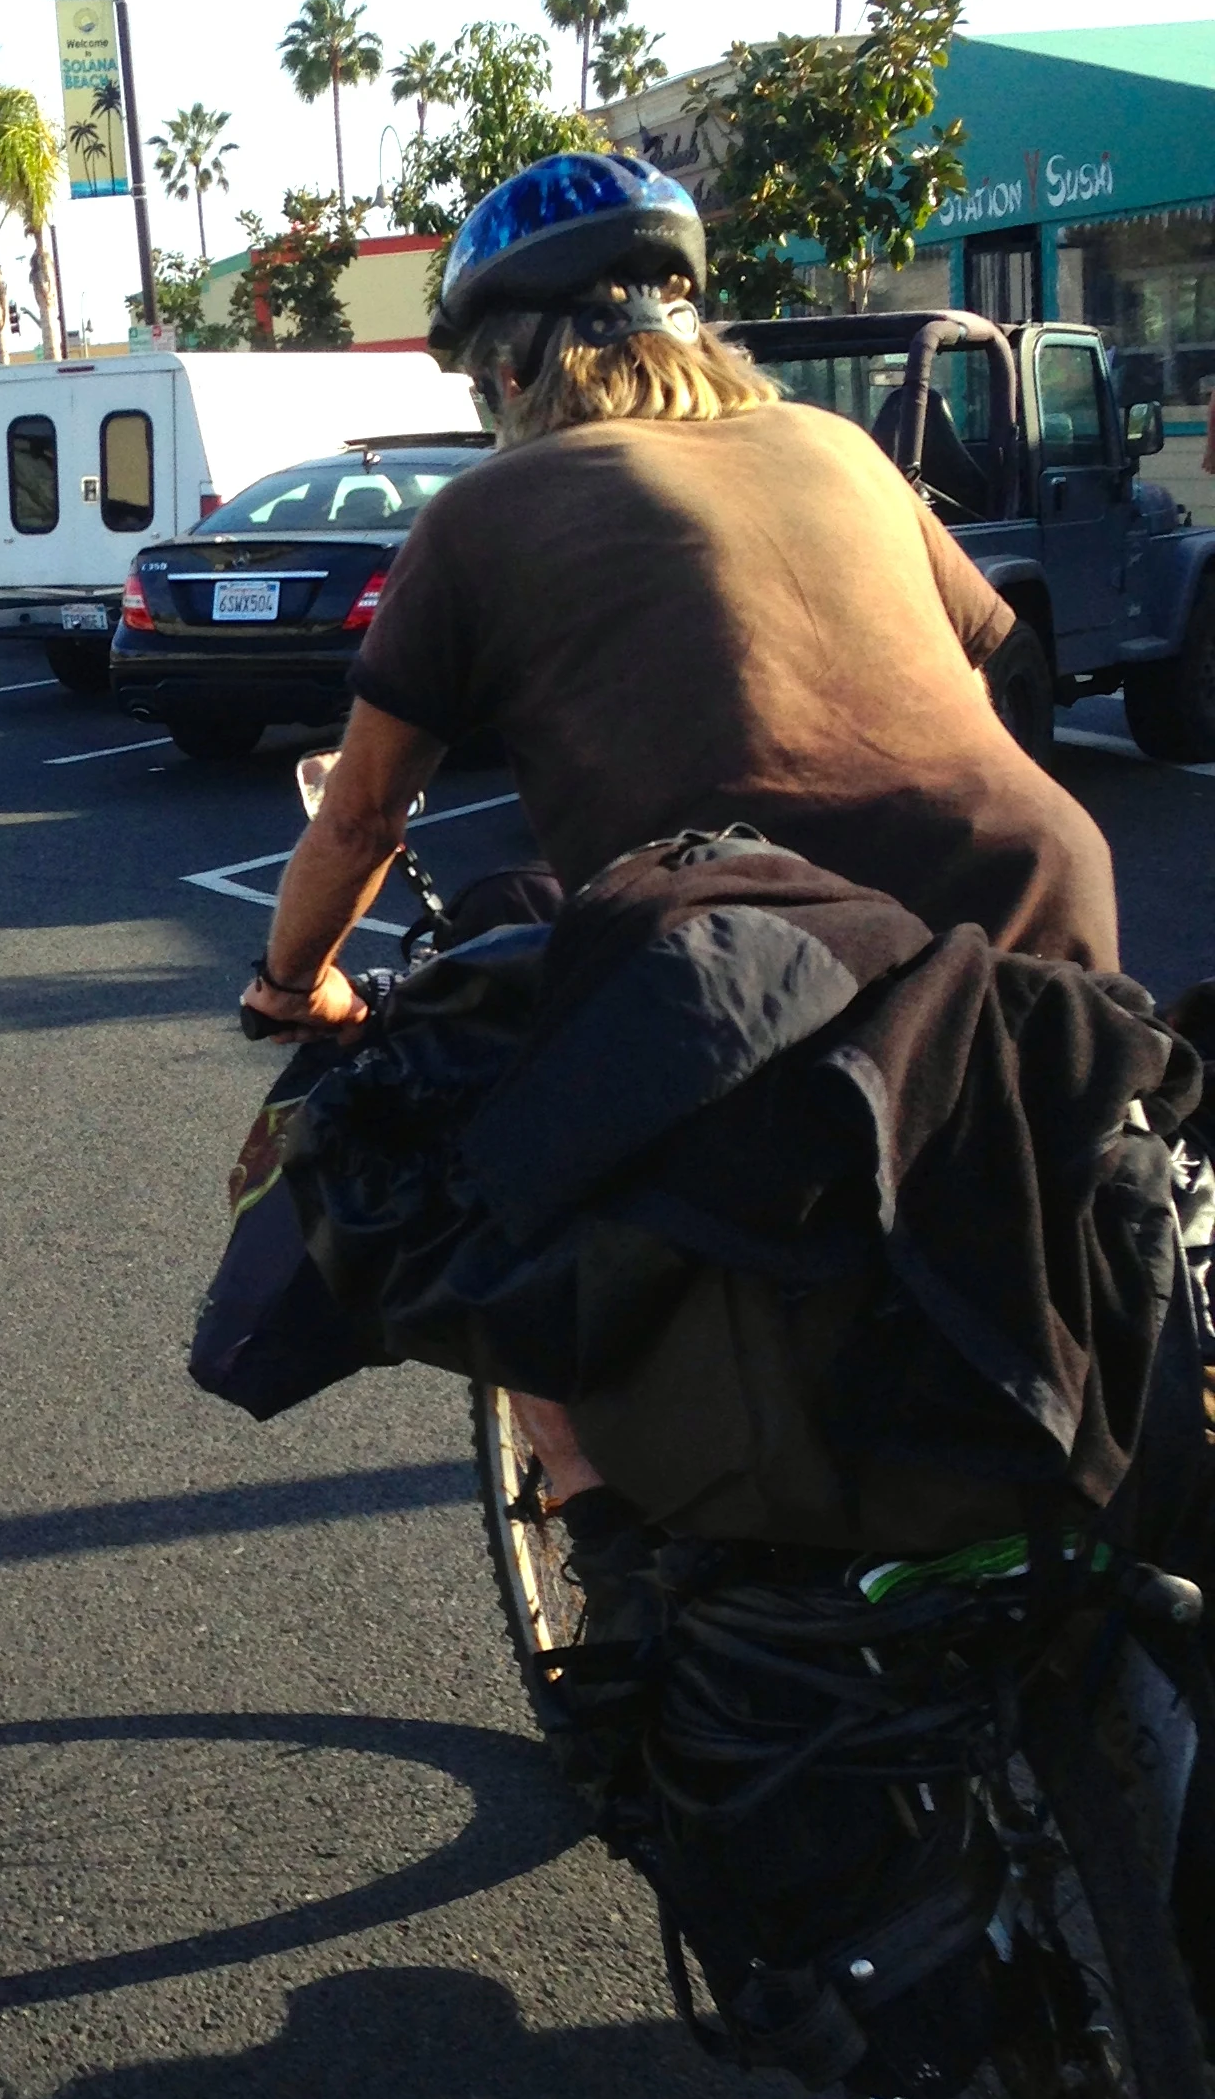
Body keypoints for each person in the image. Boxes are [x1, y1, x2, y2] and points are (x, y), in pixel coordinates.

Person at [238, 149, 1120, 1509]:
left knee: (490, 1196)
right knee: (1083, 1231)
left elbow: (359, 812)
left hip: (745, 958)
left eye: (481, 382)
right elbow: (1005, 668)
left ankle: (604, 1547)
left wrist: (293, 983)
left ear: (517, 369)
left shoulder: (483, 515)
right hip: (1032, 895)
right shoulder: (840, 452)